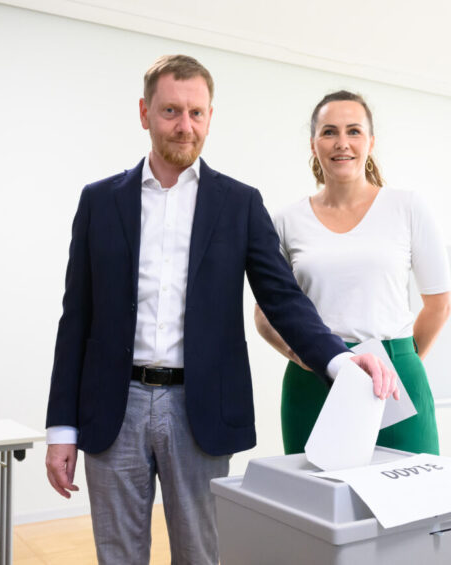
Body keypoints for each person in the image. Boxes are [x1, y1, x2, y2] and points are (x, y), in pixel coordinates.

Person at [44, 57, 398, 565]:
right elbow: (74, 319)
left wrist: (339, 361)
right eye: (170, 111)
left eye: (195, 112)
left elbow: (282, 298)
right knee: (117, 556)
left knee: (202, 555)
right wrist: (61, 429)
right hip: (111, 407)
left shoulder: (239, 203)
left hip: (200, 409)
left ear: (210, 117)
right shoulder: (100, 201)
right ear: (145, 113)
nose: (183, 125)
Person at [255, 90, 451, 456]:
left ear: (371, 142)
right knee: (314, 504)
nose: (341, 143)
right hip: (314, 378)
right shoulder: (285, 221)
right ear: (313, 144)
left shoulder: (407, 207)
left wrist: (399, 362)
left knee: (409, 500)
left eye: (354, 131)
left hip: (394, 377)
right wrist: (310, 360)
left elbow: (438, 304)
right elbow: (264, 316)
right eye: (329, 132)